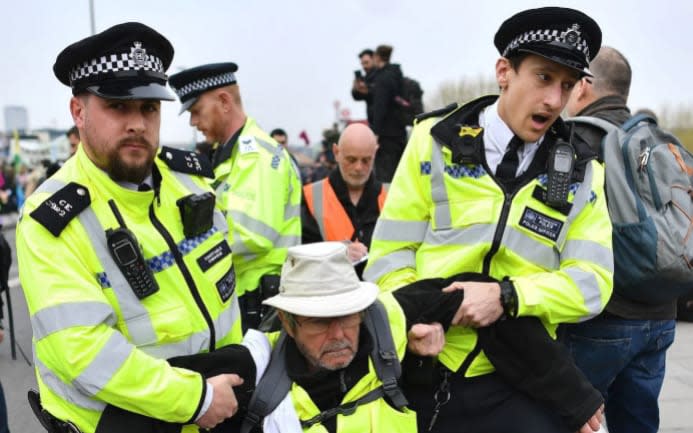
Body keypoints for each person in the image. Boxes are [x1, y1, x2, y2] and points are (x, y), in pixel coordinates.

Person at [365, 7, 613, 432]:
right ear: (504, 71)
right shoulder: (432, 143)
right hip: (425, 366)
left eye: (568, 85)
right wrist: (415, 320)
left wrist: (509, 296)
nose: (555, 100)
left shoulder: (582, 171)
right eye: (543, 77)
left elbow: (594, 282)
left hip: (520, 377)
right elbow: (389, 257)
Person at [89, 241, 604, 433]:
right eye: (318, 321)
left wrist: (579, 404)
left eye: (347, 316)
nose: (339, 335)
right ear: (287, 323)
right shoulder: (252, 368)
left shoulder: (388, 319)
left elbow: (487, 302)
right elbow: (141, 402)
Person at [17, 22, 245, 433]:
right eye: (118, 106)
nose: (137, 123)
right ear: (78, 112)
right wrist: (194, 399)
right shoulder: (49, 219)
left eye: (149, 108)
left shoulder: (191, 181)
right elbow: (83, 350)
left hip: (221, 407)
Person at [560, 47, 676, 433]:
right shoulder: (655, 141)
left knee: (567, 419)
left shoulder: (580, 139)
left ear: (585, 86)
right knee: (638, 423)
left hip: (603, 319)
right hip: (661, 317)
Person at [169, 63, 302, 330]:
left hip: (260, 305)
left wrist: (179, 256)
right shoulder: (229, 156)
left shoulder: (256, 156)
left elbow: (251, 236)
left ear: (224, 101)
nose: (193, 122)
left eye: (196, 111)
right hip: (243, 299)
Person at [302, 123, 386, 279]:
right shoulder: (310, 196)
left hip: (381, 295)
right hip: (330, 295)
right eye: (351, 160)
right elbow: (300, 255)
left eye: (366, 160)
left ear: (375, 153)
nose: (359, 167)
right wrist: (337, 253)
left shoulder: (391, 197)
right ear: (336, 152)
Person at [370, 45, 407, 183]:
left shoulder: (382, 79)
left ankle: (386, 203)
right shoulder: (396, 75)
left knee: (385, 176)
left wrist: (376, 132)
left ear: (377, 57)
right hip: (399, 131)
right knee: (399, 174)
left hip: (386, 135)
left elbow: (380, 107)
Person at [351, 49, 376, 125]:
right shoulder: (365, 79)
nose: (364, 66)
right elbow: (357, 96)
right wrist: (356, 88)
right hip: (373, 121)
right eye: (362, 64)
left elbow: (379, 92)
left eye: (366, 62)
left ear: (374, 59)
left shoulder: (382, 75)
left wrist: (367, 88)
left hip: (387, 123)